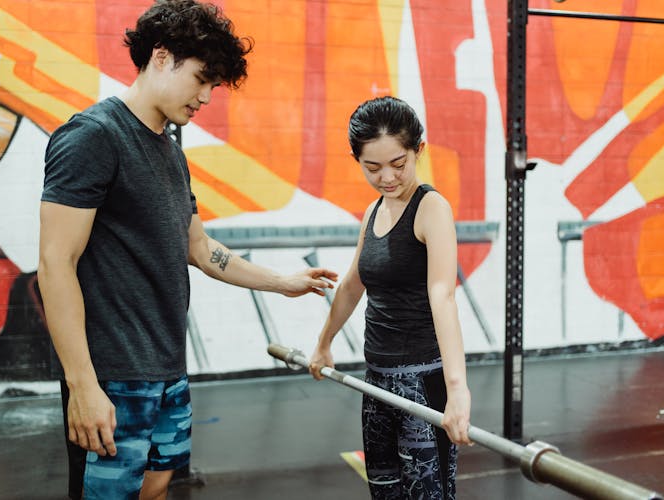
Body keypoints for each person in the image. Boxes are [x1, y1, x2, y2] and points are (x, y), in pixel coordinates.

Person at [37, 1, 337, 498]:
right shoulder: (93, 136)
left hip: (167, 367)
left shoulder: (170, 151)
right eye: (201, 79)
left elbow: (197, 247)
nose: (205, 97)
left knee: (156, 488)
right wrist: (83, 385)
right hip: (113, 374)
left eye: (213, 86)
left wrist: (282, 283)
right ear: (160, 57)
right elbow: (55, 263)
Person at [309, 96, 472, 499]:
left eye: (398, 164)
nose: (387, 178)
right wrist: (323, 343)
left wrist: (458, 390)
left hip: (423, 383)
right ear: (357, 160)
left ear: (419, 150)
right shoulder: (373, 211)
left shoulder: (431, 208)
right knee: (384, 492)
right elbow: (351, 285)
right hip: (377, 382)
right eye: (373, 167)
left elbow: (443, 295)